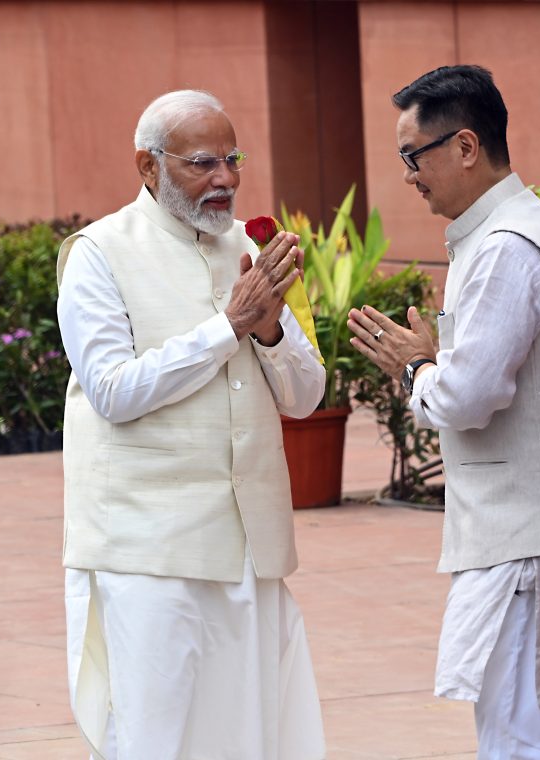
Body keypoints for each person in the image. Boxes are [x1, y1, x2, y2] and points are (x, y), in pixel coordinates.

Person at [344, 65, 540, 758]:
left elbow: (467, 397)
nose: (409, 175)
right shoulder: (518, 228)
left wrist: (417, 368)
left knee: (520, 744)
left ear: (466, 146)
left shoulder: (506, 246)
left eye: (413, 157)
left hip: (526, 550)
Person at [56, 90, 326, 759]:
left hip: (248, 549)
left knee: (255, 737)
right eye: (203, 163)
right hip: (151, 551)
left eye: (232, 160)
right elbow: (114, 391)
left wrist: (267, 330)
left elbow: (306, 397)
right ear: (148, 167)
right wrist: (226, 327)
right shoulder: (98, 253)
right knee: (160, 739)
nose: (226, 179)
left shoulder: (247, 250)